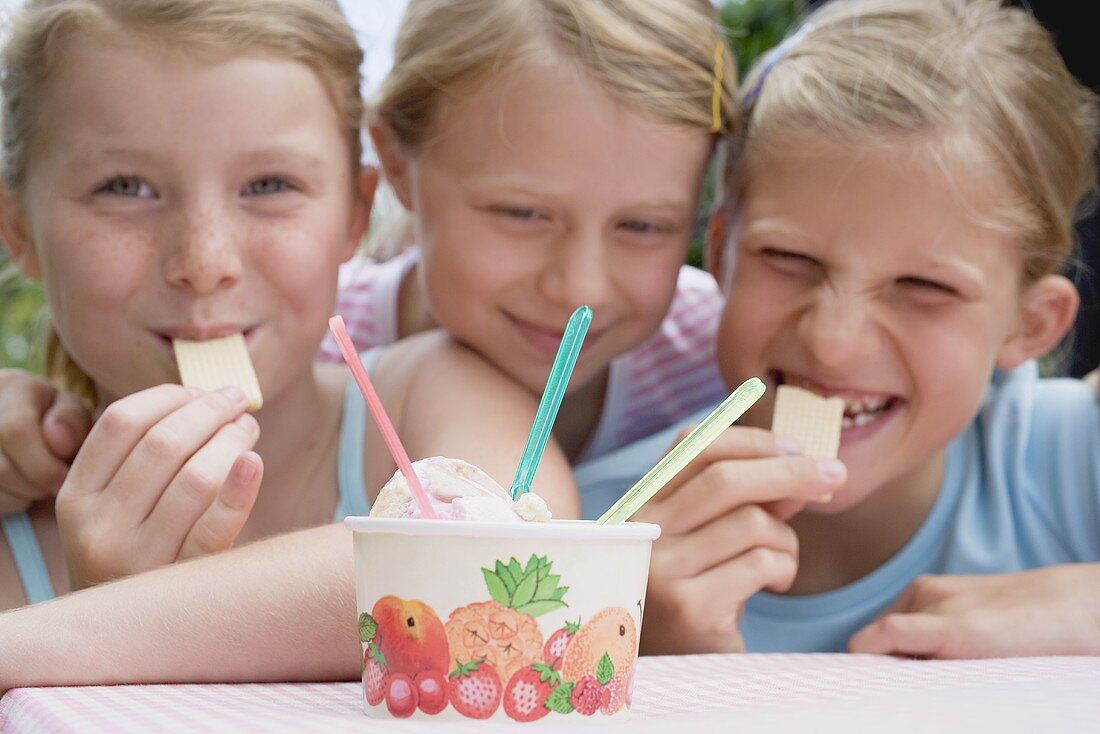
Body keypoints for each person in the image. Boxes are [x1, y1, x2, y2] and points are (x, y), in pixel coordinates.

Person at [0, 0, 738, 516]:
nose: (580, 286)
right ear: (393, 168)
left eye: (643, 225)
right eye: (520, 213)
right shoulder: (317, 328)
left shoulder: (718, 348)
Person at [0, 0, 579, 611]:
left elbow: (504, 570)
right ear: (18, 230)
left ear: (355, 215)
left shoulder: (433, 396)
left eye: (269, 185)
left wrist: (108, 620)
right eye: (124, 188)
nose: (204, 263)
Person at [576, 0, 1100, 657]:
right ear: (719, 256)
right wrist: (631, 661)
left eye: (925, 287)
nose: (833, 341)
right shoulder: (588, 536)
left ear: (1031, 324)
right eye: (789, 260)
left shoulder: (1075, 466)